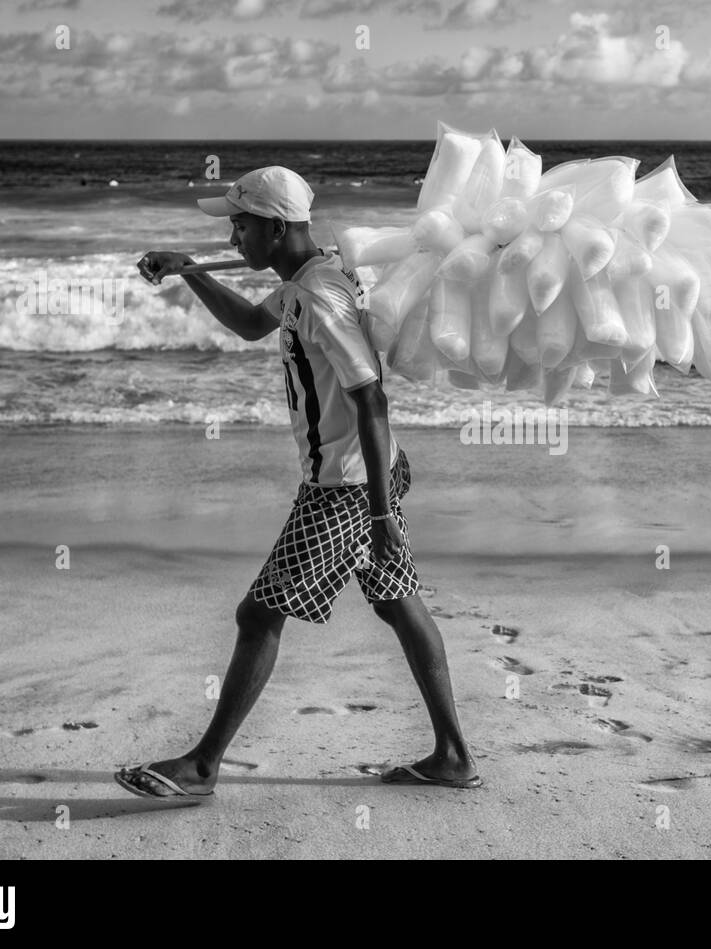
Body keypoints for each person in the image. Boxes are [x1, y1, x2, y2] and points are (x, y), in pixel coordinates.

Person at [116, 166, 480, 798]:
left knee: (257, 615)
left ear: (276, 226)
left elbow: (370, 398)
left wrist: (378, 514)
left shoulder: (318, 295)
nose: (233, 238)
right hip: (374, 474)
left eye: (240, 224)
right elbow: (254, 325)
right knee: (397, 602)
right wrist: (190, 270)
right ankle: (452, 755)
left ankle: (203, 766)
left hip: (344, 488)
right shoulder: (305, 282)